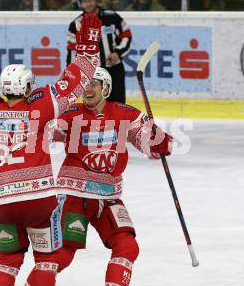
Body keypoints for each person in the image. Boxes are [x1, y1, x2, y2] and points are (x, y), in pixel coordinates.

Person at [0, 13, 101, 286]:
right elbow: (75, 82)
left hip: (1, 202)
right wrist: (88, 49)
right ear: (27, 87)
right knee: (46, 261)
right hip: (38, 199)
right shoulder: (41, 104)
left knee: (8, 261)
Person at [54, 67, 173, 285]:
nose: (86, 89)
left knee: (127, 246)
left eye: (92, 84)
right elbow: (44, 132)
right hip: (74, 196)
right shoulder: (71, 114)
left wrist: (160, 141)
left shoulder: (124, 113)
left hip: (108, 197)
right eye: (84, 84)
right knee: (61, 255)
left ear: (106, 89)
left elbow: (150, 146)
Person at [66, 0, 132, 104]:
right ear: (80, 3)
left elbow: (126, 36)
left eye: (90, 0)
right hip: (92, 74)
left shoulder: (112, 17)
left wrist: (118, 53)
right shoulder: (76, 25)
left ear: (96, 0)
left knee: (118, 105)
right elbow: (72, 51)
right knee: (96, 108)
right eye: (84, 1)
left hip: (114, 70)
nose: (88, 4)